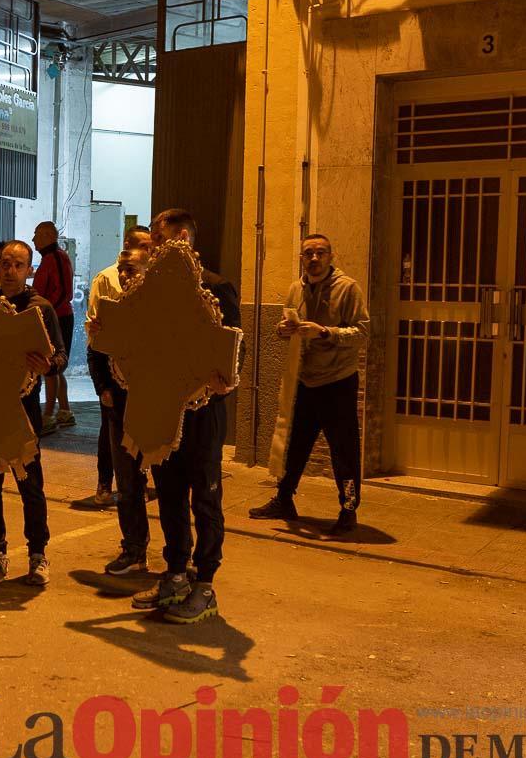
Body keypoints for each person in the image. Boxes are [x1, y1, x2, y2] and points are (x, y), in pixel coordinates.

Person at [129, 209, 240, 624]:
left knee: (205, 499)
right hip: (163, 408)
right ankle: (176, 574)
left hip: (203, 414)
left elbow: (235, 347)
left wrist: (223, 377)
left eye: (158, 239)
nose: (152, 247)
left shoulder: (215, 286)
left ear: (182, 239)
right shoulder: (149, 291)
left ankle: (205, 585)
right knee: (170, 494)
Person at [248, 233, 370, 535]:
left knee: (343, 450)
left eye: (320, 253)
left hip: (337, 381)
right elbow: (288, 329)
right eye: (308, 253)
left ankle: (348, 509)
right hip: (303, 380)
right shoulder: (296, 289)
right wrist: (283, 330)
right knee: (295, 444)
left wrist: (325, 332)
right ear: (301, 258)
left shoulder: (348, 288)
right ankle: (284, 499)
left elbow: (363, 332)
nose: (314, 258)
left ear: (331, 256)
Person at [0, 240, 67, 585]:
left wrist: (47, 366)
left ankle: (37, 554)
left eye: (18, 265)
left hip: (24, 411)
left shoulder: (40, 309)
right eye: (4, 263)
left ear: (29, 271)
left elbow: (61, 357)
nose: (10, 270)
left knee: (30, 484)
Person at [88, 246, 153, 575]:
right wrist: (104, 389)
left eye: (132, 270)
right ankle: (134, 548)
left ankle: (179, 559)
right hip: (120, 408)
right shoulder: (110, 309)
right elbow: (95, 352)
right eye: (122, 270)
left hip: (156, 409)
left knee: (169, 486)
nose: (125, 276)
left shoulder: (161, 310)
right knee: (127, 483)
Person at [78, 225, 152, 509]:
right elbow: (95, 340)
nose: (124, 276)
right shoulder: (106, 279)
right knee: (111, 435)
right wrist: (102, 386)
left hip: (144, 387)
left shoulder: (155, 293)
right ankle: (106, 483)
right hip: (114, 382)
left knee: (143, 439)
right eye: (145, 246)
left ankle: (138, 484)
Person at [31, 221, 75, 434]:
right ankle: (64, 411)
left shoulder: (57, 257)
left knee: (50, 366)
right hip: (53, 316)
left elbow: (65, 292)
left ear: (48, 236)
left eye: (36, 234)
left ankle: (47, 416)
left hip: (57, 318)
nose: (33, 239)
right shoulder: (50, 258)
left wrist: (45, 314)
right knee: (54, 368)